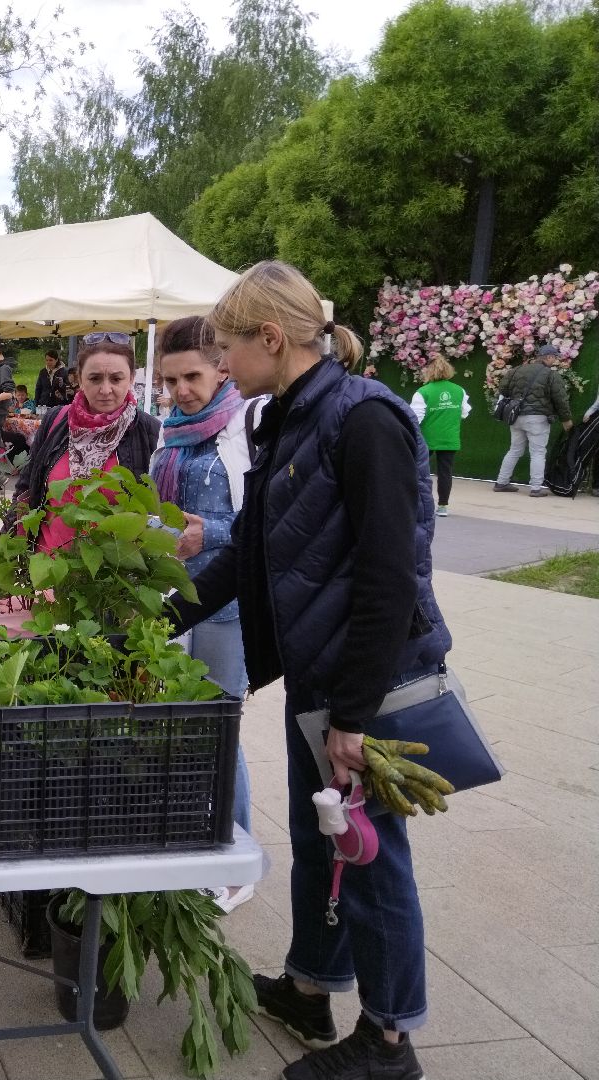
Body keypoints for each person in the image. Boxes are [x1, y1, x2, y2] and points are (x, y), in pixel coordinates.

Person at [169, 261, 449, 1080]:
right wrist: (161, 620)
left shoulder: (365, 420)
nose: (220, 367)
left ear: (271, 338)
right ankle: (309, 984)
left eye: (225, 350)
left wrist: (354, 719)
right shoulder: (285, 417)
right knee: (322, 843)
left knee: (370, 854)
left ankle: (389, 1042)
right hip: (318, 676)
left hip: (368, 681)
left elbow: (391, 579)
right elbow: (251, 552)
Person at [152, 316, 263, 914]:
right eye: (169, 381)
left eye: (191, 376)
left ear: (222, 366)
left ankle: (234, 854)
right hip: (174, 601)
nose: (180, 392)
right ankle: (192, 836)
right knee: (182, 723)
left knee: (220, 727)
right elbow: (163, 512)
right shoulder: (172, 431)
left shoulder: (245, 426)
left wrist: (208, 533)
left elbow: (264, 525)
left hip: (227, 603)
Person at [13, 332, 161, 554]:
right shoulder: (56, 421)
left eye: (116, 379)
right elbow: (27, 487)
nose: (105, 390)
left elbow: (155, 514)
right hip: (46, 573)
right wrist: (15, 547)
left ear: (131, 379)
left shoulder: (149, 432)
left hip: (110, 581)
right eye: (94, 378)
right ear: (80, 379)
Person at [494, 343, 573, 496]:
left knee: (515, 450)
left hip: (516, 416)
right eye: (555, 357)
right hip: (537, 418)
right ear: (548, 357)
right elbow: (560, 399)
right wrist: (566, 419)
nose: (555, 361)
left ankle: (501, 482)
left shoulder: (516, 370)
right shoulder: (551, 375)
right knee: (537, 452)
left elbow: (503, 389)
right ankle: (536, 488)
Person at [408, 356, 471, 516]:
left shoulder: (423, 392)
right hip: (449, 438)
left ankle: (417, 503)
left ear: (429, 372)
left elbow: (415, 418)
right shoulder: (459, 390)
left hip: (426, 439)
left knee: (419, 471)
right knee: (445, 472)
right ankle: (443, 506)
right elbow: (464, 413)